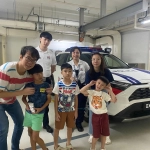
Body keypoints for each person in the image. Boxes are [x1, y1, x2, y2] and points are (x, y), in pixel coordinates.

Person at [0, 46, 40, 150]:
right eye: (28, 58)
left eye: (34, 60)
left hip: (11, 100)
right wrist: (22, 92)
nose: (31, 62)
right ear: (21, 56)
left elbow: (38, 82)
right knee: (3, 128)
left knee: (20, 123)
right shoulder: (7, 69)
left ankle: (15, 148)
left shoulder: (29, 74)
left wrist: (48, 89)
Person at [80, 76, 116, 150]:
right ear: (96, 82)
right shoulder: (91, 92)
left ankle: (102, 148)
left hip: (104, 116)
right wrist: (89, 85)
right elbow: (81, 91)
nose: (99, 85)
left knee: (104, 134)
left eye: (102, 85)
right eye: (98, 83)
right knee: (95, 135)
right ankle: (93, 148)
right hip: (95, 116)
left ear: (104, 86)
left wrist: (110, 90)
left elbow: (114, 100)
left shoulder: (104, 94)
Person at [85, 52, 114, 144]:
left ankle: (106, 135)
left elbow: (109, 85)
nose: (96, 61)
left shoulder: (106, 71)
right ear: (91, 61)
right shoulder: (89, 73)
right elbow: (88, 86)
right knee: (92, 114)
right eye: (93, 59)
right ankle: (92, 134)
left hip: (104, 94)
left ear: (101, 61)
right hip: (93, 94)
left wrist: (111, 93)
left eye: (98, 59)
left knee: (103, 115)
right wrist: (90, 97)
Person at [22, 64, 51, 150]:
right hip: (28, 113)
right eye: (37, 74)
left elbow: (48, 100)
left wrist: (41, 109)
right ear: (32, 75)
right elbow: (23, 98)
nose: (40, 75)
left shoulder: (46, 85)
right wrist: (27, 105)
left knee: (35, 137)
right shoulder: (29, 85)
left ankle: (45, 149)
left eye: (41, 73)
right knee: (30, 133)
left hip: (39, 114)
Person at [52, 63, 80, 150]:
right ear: (61, 72)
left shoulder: (75, 85)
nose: (67, 73)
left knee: (70, 127)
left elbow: (76, 98)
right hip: (61, 110)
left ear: (72, 73)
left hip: (71, 110)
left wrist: (76, 111)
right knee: (57, 128)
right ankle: (56, 145)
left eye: (70, 71)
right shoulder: (58, 84)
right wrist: (56, 113)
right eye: (65, 71)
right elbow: (56, 100)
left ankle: (68, 143)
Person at [36, 31, 57, 133]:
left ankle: (46, 124)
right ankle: (35, 123)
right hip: (35, 82)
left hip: (47, 81)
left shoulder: (51, 53)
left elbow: (53, 68)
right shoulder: (34, 52)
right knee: (35, 101)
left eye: (48, 40)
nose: (46, 42)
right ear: (40, 38)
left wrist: (46, 76)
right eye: (45, 39)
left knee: (46, 102)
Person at [68, 46, 89, 132]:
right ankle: (71, 123)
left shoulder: (84, 64)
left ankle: (79, 123)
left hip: (82, 87)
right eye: (74, 52)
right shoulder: (68, 64)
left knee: (81, 106)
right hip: (71, 88)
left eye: (77, 52)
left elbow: (88, 75)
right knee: (71, 106)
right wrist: (70, 78)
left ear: (80, 54)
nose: (75, 54)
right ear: (71, 54)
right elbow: (64, 76)